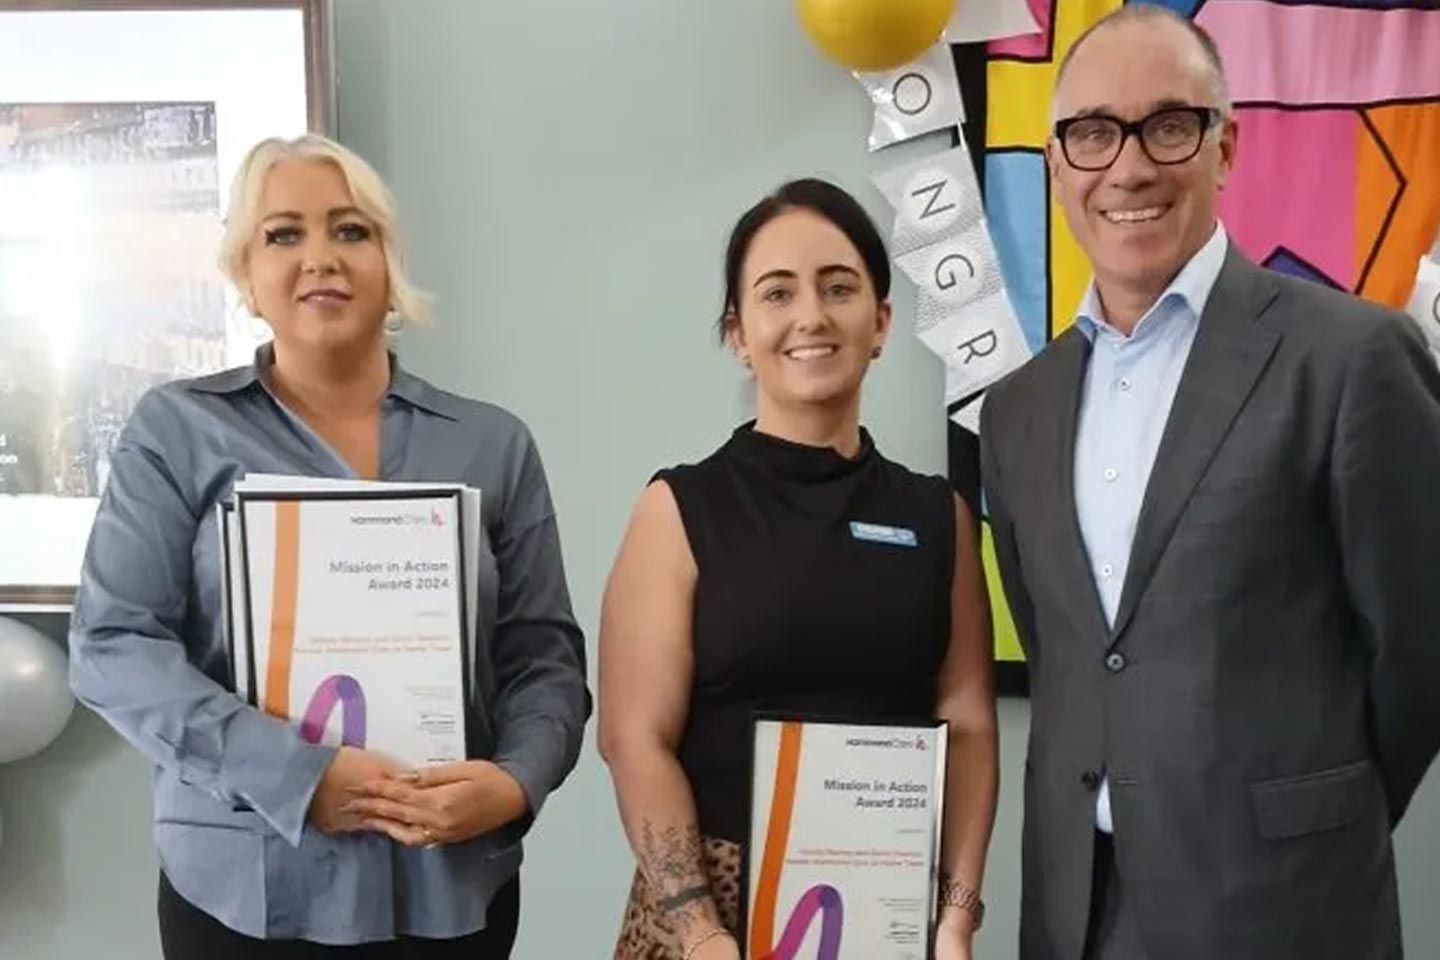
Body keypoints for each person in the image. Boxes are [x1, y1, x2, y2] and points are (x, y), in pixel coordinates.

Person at [979, 8, 1440, 960]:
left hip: (1285, 911)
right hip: (1078, 916)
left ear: (1225, 148)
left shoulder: (1351, 358)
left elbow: (1420, 652)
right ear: (1059, 165)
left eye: (1170, 126)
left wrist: (1316, 813)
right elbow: (1072, 651)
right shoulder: (1016, 411)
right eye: (1094, 133)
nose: (1130, 167)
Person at [67, 134, 590, 958]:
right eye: (284, 234)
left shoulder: (494, 445)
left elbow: (544, 655)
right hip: (244, 891)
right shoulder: (176, 432)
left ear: (390, 263)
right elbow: (113, 643)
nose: (321, 258)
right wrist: (295, 773)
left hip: (450, 887)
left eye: (351, 231)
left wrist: (514, 780)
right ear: (244, 275)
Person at [599, 178, 998, 960]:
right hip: (709, 919)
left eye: (839, 288)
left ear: (881, 323)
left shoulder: (936, 516)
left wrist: (954, 917)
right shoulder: (679, 508)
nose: (810, 316)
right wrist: (699, 931)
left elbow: (970, 723)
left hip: (886, 905)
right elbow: (632, 736)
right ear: (738, 334)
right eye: (776, 293)